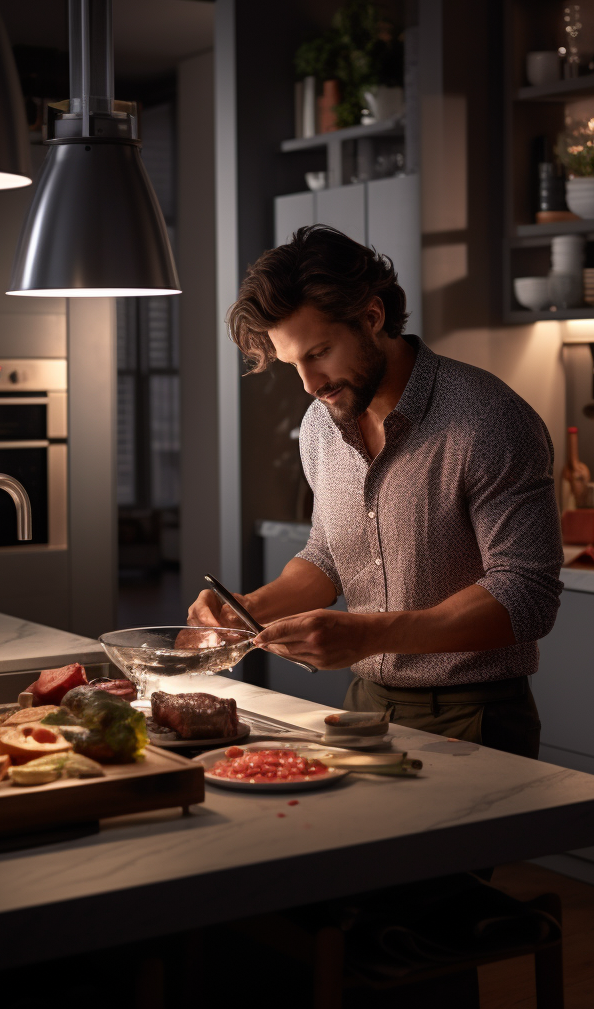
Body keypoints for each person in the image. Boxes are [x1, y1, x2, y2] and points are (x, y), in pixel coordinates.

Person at [188, 225, 563, 758]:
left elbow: (527, 596)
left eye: (319, 352)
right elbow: (329, 557)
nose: (309, 383)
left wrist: (370, 636)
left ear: (371, 316)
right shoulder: (322, 424)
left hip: (472, 715)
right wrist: (248, 609)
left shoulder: (489, 419)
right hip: (362, 705)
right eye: (292, 362)